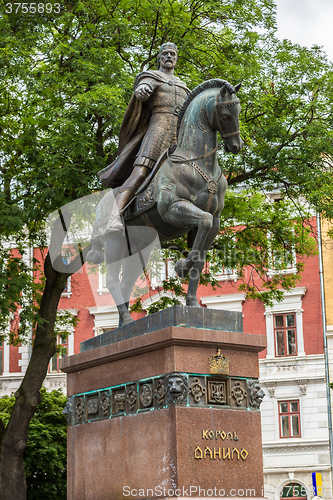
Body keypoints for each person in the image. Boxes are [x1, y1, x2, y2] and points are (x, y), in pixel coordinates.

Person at [97, 42, 190, 232]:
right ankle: (114, 215)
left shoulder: (183, 86)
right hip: (157, 131)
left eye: (173, 53)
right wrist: (141, 91)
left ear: (177, 58)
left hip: (178, 138)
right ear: (159, 58)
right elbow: (142, 87)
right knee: (140, 172)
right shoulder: (152, 77)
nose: (169, 57)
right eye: (165, 54)